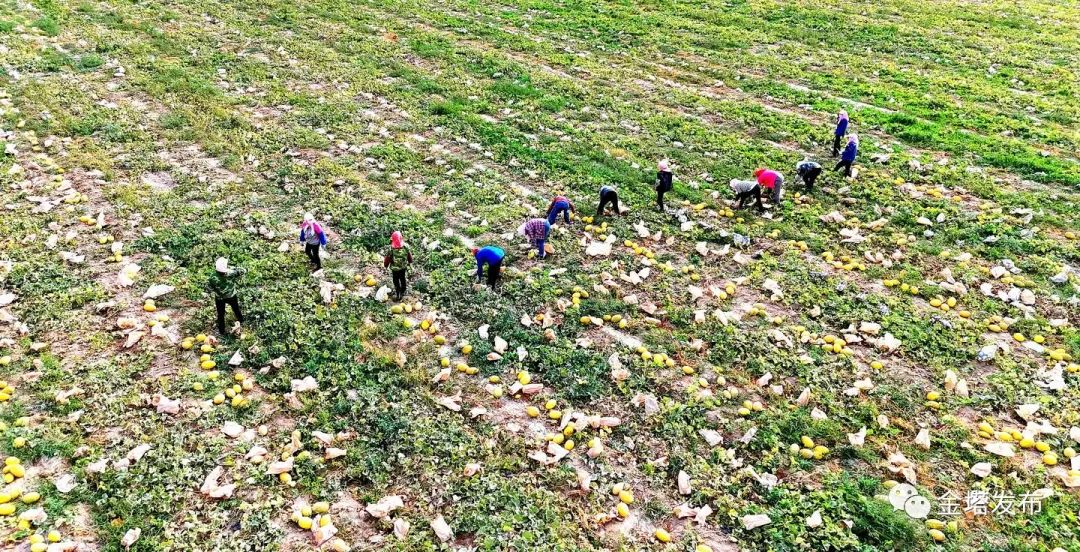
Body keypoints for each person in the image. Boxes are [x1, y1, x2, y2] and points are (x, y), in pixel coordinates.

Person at [209, 257, 244, 334]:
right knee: (236, 309)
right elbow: (243, 270)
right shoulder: (231, 273)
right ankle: (241, 320)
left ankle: (222, 331)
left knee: (220, 314)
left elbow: (209, 287)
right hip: (231, 296)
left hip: (219, 298)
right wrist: (232, 268)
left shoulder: (212, 277)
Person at [383, 231, 412, 301]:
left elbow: (388, 258)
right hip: (403, 267)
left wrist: (386, 265)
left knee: (396, 280)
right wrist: (410, 261)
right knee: (402, 278)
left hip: (395, 269)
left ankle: (398, 293)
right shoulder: (406, 247)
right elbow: (409, 256)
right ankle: (403, 289)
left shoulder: (391, 249)